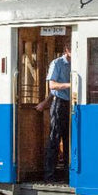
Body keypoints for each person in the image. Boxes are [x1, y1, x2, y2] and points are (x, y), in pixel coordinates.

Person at [43, 42, 71, 183]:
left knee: (69, 139)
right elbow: (52, 85)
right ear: (67, 49)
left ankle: (67, 174)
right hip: (59, 103)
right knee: (54, 137)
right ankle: (49, 175)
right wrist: (71, 85)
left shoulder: (76, 63)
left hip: (70, 104)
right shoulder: (57, 63)